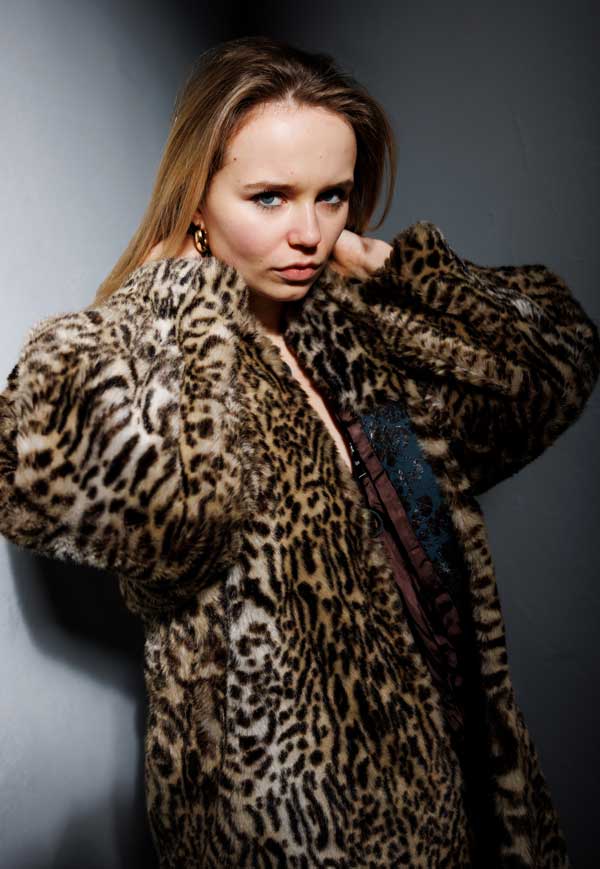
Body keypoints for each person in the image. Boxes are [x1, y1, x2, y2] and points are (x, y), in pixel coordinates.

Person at [0, 34, 598, 869]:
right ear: (197, 198)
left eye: (333, 196)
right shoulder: (158, 354)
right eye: (270, 197)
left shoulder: (355, 329)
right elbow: (127, 508)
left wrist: (395, 269)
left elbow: (554, 371)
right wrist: (176, 292)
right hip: (290, 830)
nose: (310, 233)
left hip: (459, 783)